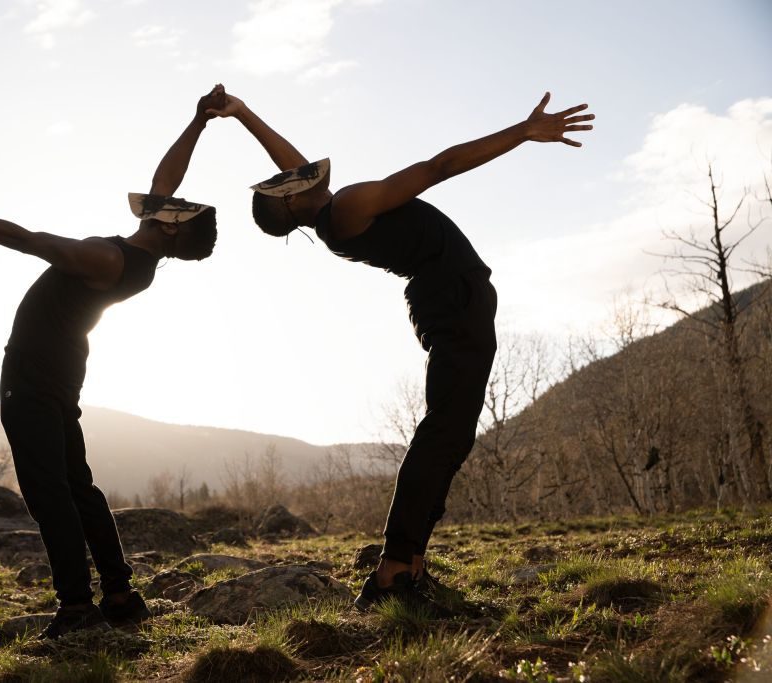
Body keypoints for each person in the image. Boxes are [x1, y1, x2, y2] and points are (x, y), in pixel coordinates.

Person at [207, 87, 593, 610]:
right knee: (442, 435)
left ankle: (411, 565)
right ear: (292, 203)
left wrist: (243, 114)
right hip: (451, 302)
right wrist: (522, 133)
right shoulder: (346, 209)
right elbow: (439, 166)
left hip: (451, 298)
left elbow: (293, 165)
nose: (289, 172)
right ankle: (392, 572)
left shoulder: (329, 211)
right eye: (283, 184)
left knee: (451, 437)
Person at [0, 85, 226, 637]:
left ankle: (76, 608)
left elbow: (27, 239)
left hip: (33, 377)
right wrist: (199, 122)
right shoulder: (137, 257)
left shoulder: (106, 257)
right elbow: (165, 180)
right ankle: (120, 596)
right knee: (77, 488)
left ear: (171, 226)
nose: (170, 197)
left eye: (179, 206)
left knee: (50, 491)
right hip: (60, 373)